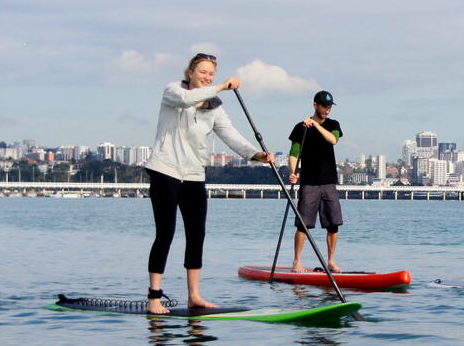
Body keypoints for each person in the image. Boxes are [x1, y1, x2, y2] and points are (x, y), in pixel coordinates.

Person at [144, 53, 275, 314]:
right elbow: (186, 99)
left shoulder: (214, 107)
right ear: (190, 72)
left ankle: (194, 295)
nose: (207, 77)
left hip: (193, 175)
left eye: (211, 74)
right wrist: (220, 87)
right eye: (203, 71)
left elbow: (231, 135)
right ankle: (154, 297)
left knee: (197, 235)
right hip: (164, 170)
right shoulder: (173, 91)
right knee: (166, 233)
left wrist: (256, 155)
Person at [288, 90, 344, 273]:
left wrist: (315, 125)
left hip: (328, 181)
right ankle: (297, 262)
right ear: (315, 105)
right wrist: (292, 172)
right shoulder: (301, 128)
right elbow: (294, 153)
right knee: (303, 224)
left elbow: (333, 139)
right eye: (324, 106)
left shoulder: (333, 124)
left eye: (329, 107)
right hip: (309, 182)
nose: (327, 110)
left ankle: (331, 261)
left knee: (333, 224)